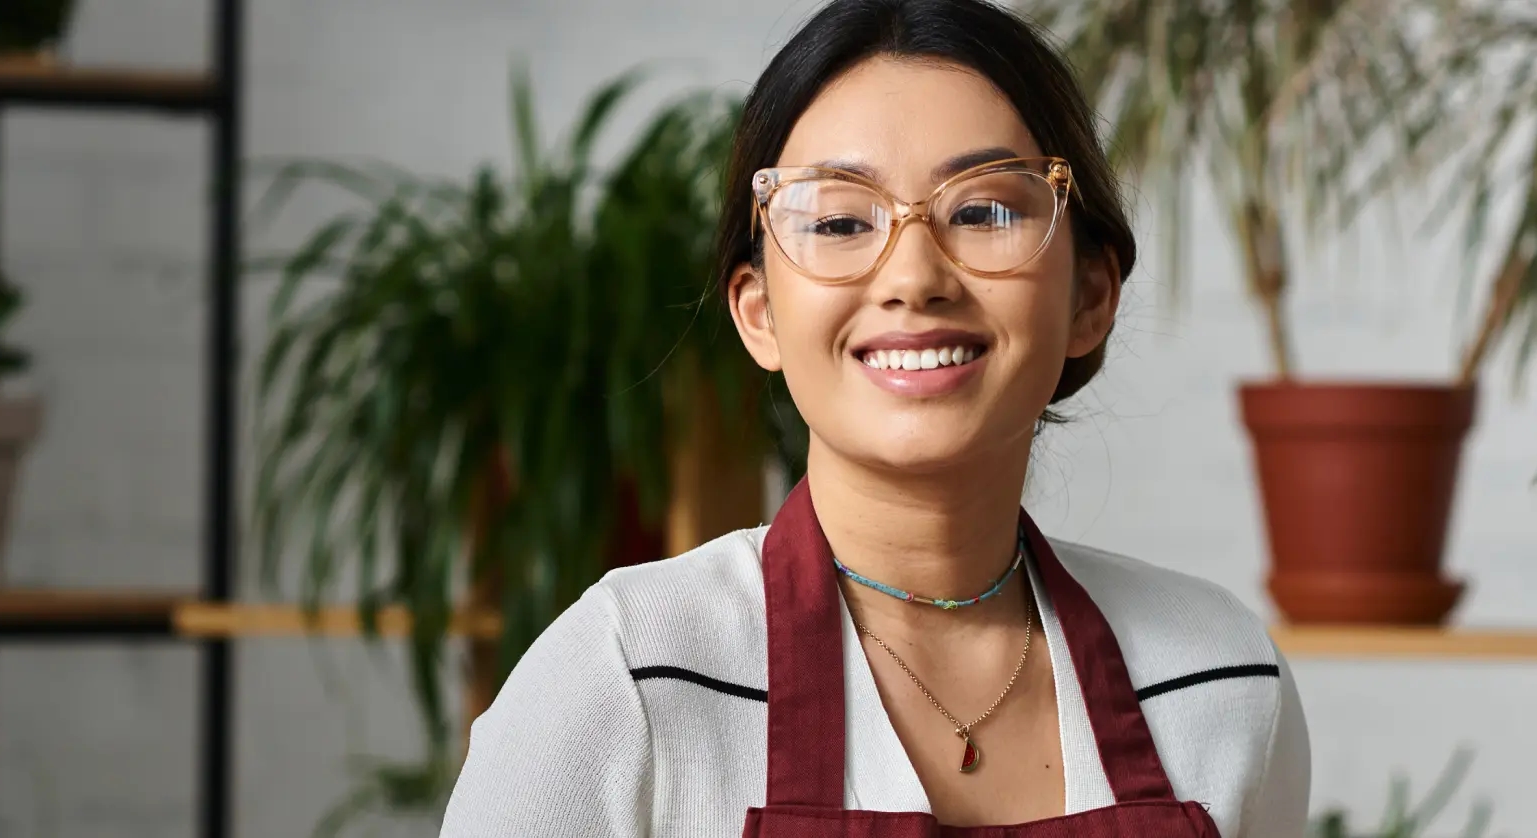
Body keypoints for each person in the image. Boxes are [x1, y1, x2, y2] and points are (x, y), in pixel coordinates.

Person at [439, 0, 1309, 833]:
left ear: (1090, 295)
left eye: (984, 211)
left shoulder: (1217, 677)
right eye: (841, 220)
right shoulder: (631, 677)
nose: (913, 276)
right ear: (759, 314)